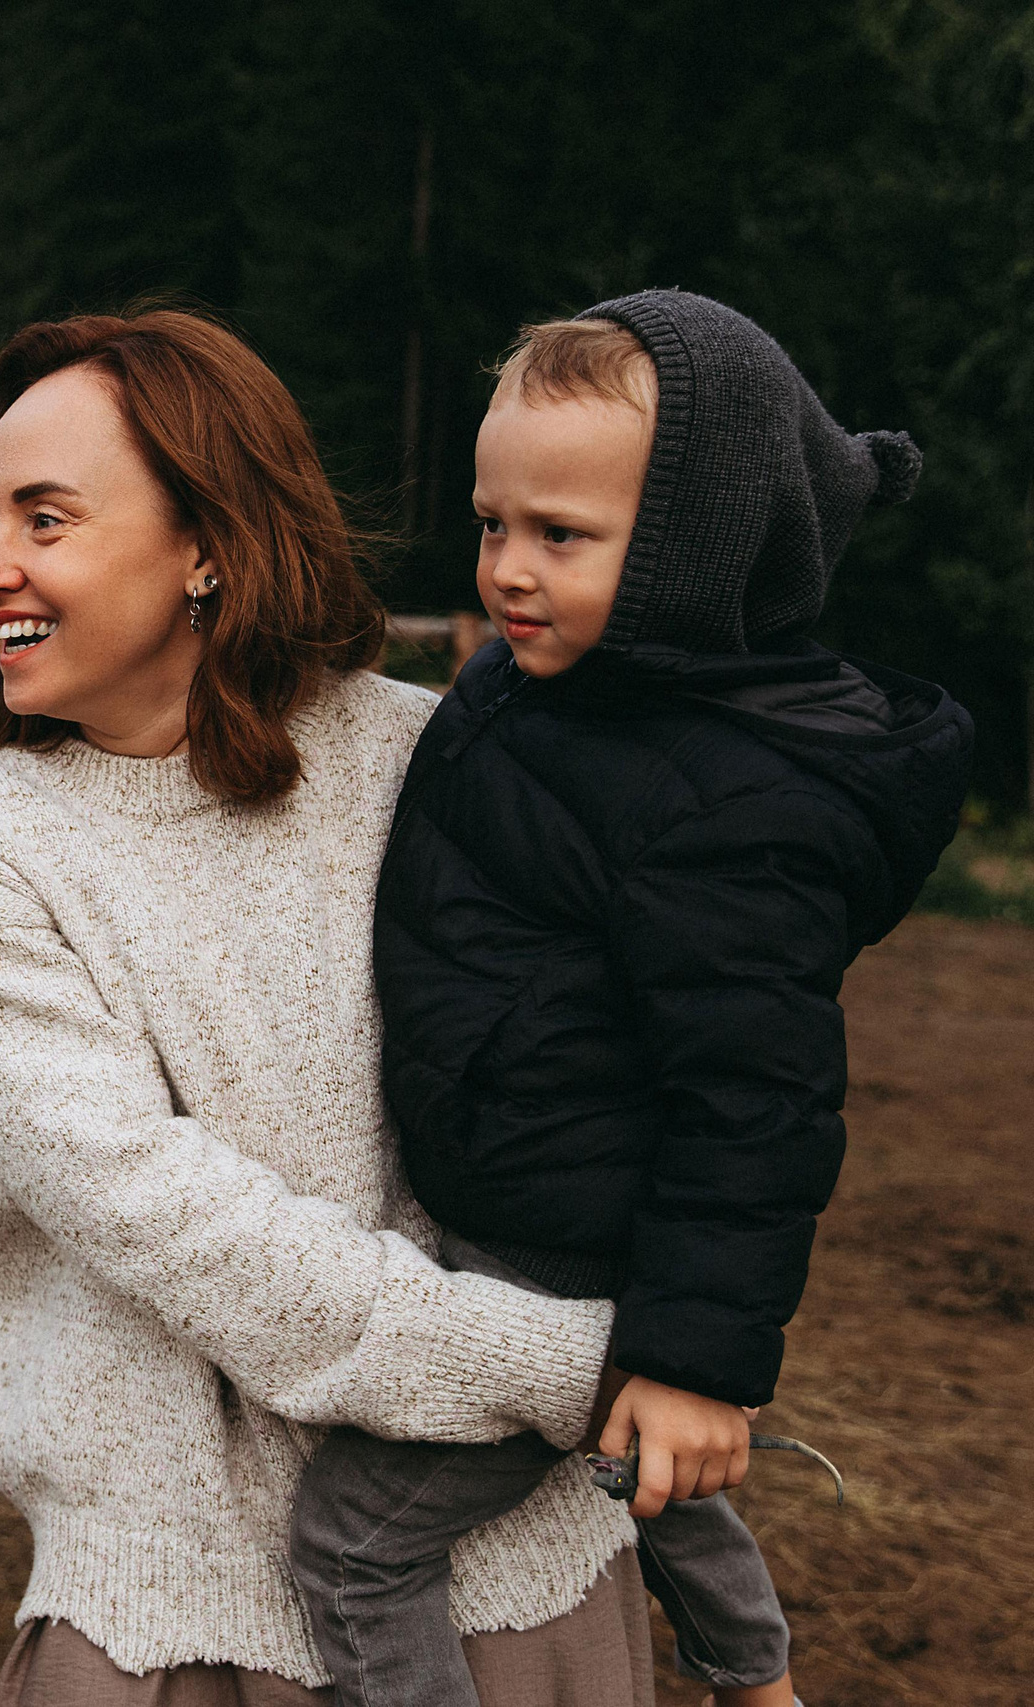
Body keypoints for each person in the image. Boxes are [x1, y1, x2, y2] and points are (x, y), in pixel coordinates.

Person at [0, 307, 657, 1706]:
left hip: (510, 1568)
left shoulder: (430, 754)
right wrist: (578, 1367)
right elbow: (160, 1209)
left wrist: (680, 1321)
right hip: (185, 1610)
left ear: (208, 542)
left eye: (43, 519)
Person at [288, 291, 973, 1707]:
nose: (508, 570)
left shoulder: (727, 802)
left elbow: (756, 1101)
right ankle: (753, 1669)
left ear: (690, 556)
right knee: (629, 1425)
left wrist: (696, 1356)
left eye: (562, 536)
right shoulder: (554, 690)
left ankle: (730, 1633)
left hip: (571, 1237)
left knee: (354, 1543)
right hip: (531, 1193)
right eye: (492, 525)